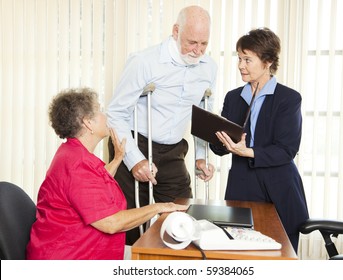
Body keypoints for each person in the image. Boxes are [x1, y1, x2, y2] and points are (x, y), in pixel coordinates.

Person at [26, 88, 187, 260]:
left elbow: (93, 186)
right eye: (100, 111)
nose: (106, 115)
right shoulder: (77, 165)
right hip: (70, 257)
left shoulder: (72, 153)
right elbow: (111, 223)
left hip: (79, 249)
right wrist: (160, 207)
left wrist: (118, 159)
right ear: (88, 123)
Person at [107, 5, 217, 245]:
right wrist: (135, 159)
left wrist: (201, 156)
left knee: (181, 219)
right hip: (135, 143)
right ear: (176, 31)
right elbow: (115, 113)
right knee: (132, 222)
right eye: (191, 42)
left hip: (173, 149)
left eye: (203, 44)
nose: (197, 50)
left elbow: (203, 115)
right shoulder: (144, 62)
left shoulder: (208, 68)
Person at [210, 28, 309, 252]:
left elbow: (287, 150)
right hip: (241, 188)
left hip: (279, 190)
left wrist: (249, 152)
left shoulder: (289, 99)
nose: (240, 65)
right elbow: (221, 147)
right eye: (239, 58)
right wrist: (214, 135)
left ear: (268, 61)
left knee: (281, 260)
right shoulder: (234, 97)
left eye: (247, 59)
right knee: (240, 256)